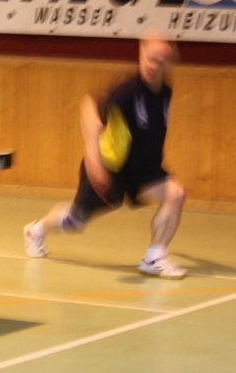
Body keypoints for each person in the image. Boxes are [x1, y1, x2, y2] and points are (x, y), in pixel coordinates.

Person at [22, 34, 188, 279]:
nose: (153, 65)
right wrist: (94, 160)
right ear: (141, 55)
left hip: (144, 171)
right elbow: (88, 107)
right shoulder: (126, 91)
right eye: (149, 58)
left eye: (160, 61)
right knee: (75, 221)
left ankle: (154, 257)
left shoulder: (165, 91)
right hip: (110, 168)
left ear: (170, 62)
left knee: (176, 195)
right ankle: (35, 230)